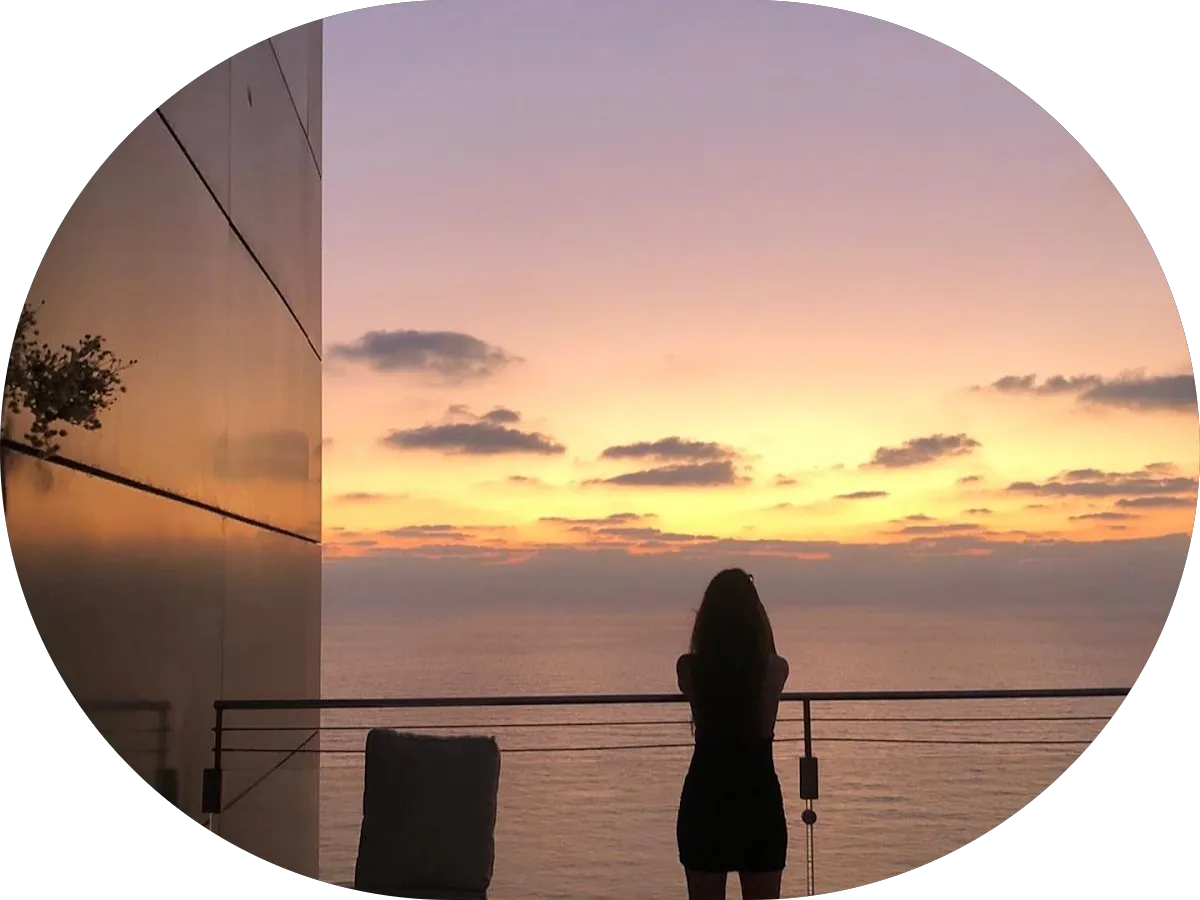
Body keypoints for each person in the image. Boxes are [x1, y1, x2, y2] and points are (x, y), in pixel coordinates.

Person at [676, 568, 790, 900]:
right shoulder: (774, 670)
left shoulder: (689, 669)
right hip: (758, 803)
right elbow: (770, 654)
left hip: (705, 801)